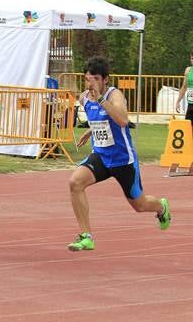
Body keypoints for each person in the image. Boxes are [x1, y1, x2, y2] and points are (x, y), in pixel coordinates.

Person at [66, 56, 171, 251]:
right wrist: (91, 131)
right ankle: (86, 236)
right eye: (88, 79)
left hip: (123, 160)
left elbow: (122, 120)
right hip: (101, 156)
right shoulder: (84, 98)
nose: (91, 83)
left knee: (139, 205)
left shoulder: (115, 96)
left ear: (105, 80)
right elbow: (101, 121)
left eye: (95, 79)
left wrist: (101, 100)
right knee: (75, 183)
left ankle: (161, 207)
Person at [175, 51, 193, 123]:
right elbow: (184, 87)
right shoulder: (188, 70)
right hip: (191, 105)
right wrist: (178, 101)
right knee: (188, 127)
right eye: (192, 58)